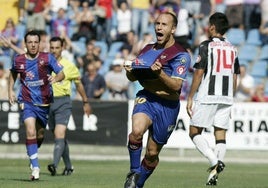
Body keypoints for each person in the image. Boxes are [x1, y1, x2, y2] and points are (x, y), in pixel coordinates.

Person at [123, 11, 191, 188]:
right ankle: (134, 172)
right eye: (157, 24)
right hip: (147, 98)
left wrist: (159, 73)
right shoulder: (147, 49)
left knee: (152, 154)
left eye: (164, 25)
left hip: (168, 106)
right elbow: (133, 78)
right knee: (136, 132)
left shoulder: (181, 55)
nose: (159, 27)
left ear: (173, 29)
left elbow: (176, 86)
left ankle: (138, 184)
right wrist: (129, 70)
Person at [186, 12, 240, 186]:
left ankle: (214, 161)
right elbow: (234, 76)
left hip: (207, 95)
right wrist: (231, 98)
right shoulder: (233, 49)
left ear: (212, 27)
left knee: (194, 132)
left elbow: (199, 72)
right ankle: (214, 174)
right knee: (220, 135)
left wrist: (190, 97)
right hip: (226, 96)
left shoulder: (206, 46)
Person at [8, 30, 65, 181]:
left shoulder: (47, 58)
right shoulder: (18, 60)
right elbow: (13, 74)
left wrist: (56, 79)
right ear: (25, 44)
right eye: (30, 42)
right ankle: (35, 167)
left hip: (44, 103)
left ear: (39, 43)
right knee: (30, 130)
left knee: (39, 135)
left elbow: (61, 73)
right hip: (27, 101)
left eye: (35, 42)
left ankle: (32, 153)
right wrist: (10, 91)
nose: (33, 45)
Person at [47, 37, 91, 176]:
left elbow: (78, 84)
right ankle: (69, 166)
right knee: (59, 136)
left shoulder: (69, 65)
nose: (54, 51)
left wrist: (85, 101)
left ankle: (54, 164)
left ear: (62, 48)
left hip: (63, 103)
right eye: (52, 47)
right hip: (48, 103)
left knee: (59, 134)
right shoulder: (45, 64)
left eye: (57, 48)